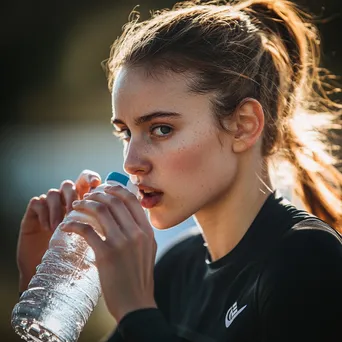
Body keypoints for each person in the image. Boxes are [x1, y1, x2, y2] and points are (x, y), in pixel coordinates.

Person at [16, 0, 342, 341]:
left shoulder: (307, 259)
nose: (130, 162)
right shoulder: (177, 268)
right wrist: (43, 295)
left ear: (244, 126)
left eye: (161, 129)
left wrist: (135, 308)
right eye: (125, 132)